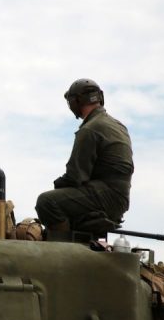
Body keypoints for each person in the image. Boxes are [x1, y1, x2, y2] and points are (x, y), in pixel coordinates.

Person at [35, 78, 134, 232]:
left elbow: (75, 176)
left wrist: (58, 185)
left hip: (106, 195)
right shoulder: (117, 125)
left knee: (47, 201)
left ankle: (63, 248)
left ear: (76, 102)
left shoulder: (90, 129)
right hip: (118, 196)